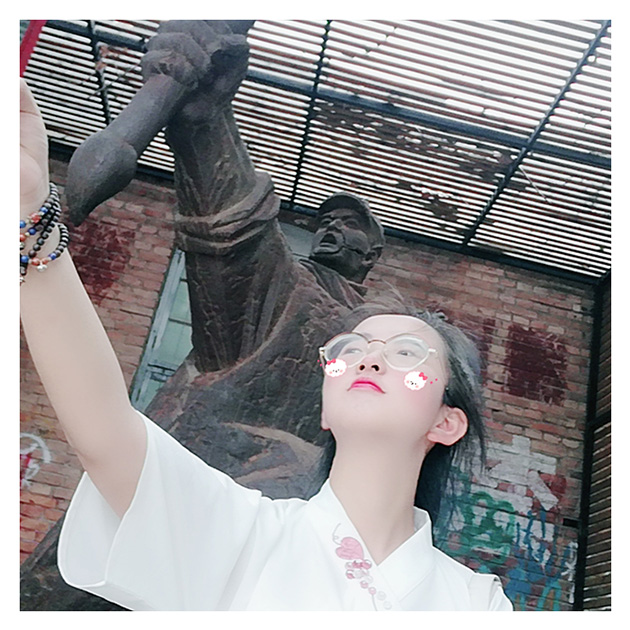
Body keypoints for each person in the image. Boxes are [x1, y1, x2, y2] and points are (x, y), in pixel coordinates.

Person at [20, 78, 512, 611]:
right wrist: (30, 214)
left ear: (447, 422)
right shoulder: (240, 536)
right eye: (349, 350)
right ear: (324, 410)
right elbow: (103, 429)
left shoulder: (474, 602)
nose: (368, 357)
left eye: (406, 353)